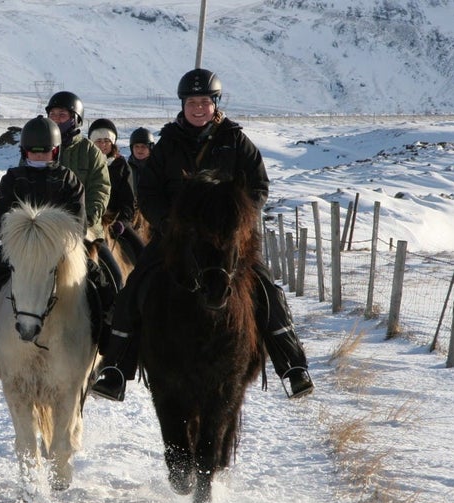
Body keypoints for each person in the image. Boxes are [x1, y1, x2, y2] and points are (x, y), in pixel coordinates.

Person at [90, 68, 314, 401]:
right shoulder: (167, 144)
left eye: (204, 102)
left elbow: (258, 186)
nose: (198, 108)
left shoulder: (235, 140)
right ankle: (117, 368)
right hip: (175, 238)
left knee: (267, 288)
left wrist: (237, 219)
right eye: (192, 102)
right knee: (134, 288)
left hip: (227, 241)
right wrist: (167, 221)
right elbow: (149, 191)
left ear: (215, 104)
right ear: (182, 104)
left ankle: (292, 366)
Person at [0, 115, 88, 357]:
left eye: (45, 152)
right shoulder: (12, 179)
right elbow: (0, 225)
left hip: (59, 255)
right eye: (33, 152)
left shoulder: (69, 180)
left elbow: (78, 228)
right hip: (19, 251)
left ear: (56, 151)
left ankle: (110, 339)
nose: (39, 157)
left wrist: (50, 241)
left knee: (100, 281)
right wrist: (27, 239)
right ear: (24, 151)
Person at [44, 91, 122, 290]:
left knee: (114, 279)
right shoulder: (38, 147)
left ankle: (114, 317)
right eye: (52, 115)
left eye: (62, 115)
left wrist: (85, 219)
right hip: (42, 229)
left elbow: (100, 189)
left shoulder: (91, 153)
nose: (56, 120)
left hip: (82, 231)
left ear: (75, 119)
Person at [87, 117, 144, 261]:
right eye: (98, 141)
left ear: (113, 143)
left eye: (107, 141)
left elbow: (129, 199)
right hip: (90, 220)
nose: (103, 145)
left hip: (116, 220)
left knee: (141, 250)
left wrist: (122, 220)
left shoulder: (121, 166)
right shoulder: (86, 164)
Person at [127, 127, 155, 192]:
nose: (139, 150)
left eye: (143, 146)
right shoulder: (125, 169)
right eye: (136, 146)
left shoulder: (157, 168)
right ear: (132, 148)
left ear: (150, 148)